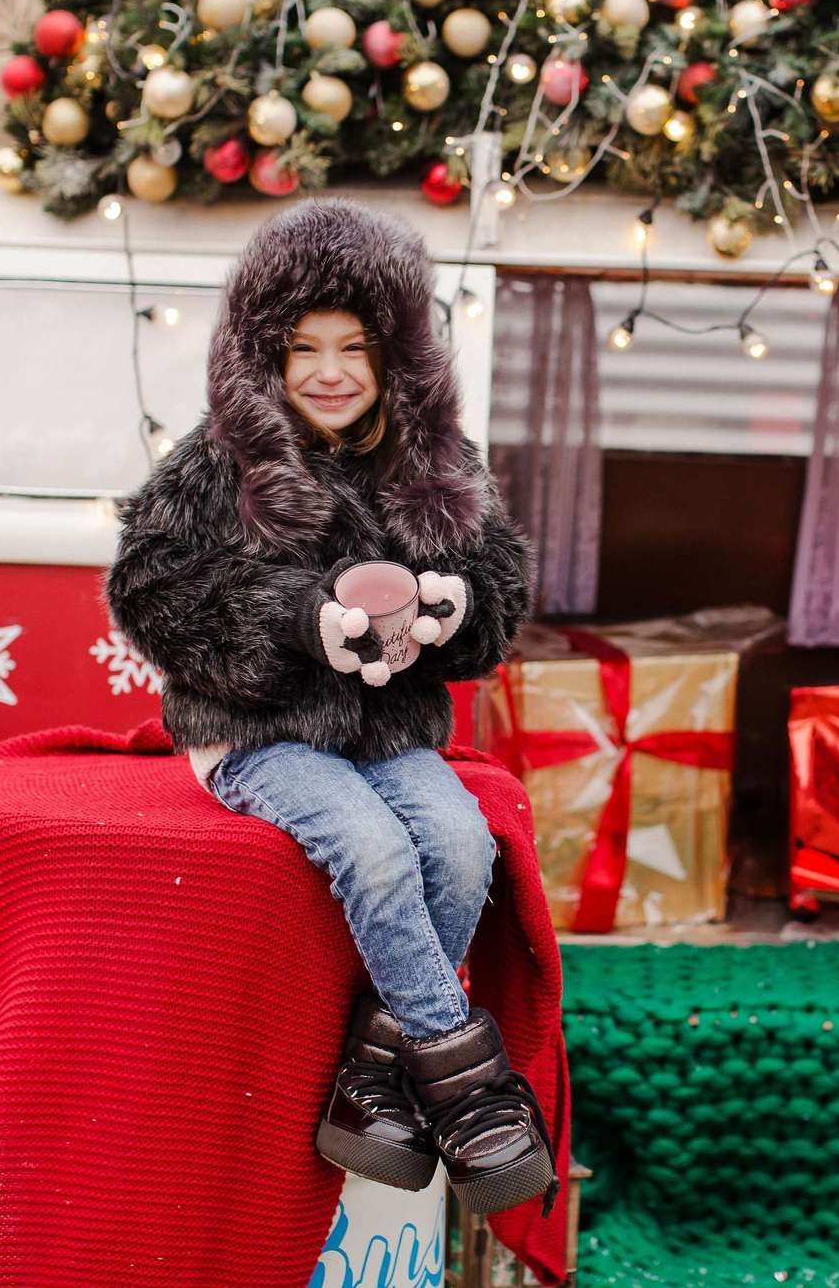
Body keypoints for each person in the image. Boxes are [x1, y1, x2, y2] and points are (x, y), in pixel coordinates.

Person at [104, 198, 552, 1216]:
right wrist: (303, 620)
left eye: (355, 346)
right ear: (262, 355)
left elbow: (499, 592)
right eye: (302, 348)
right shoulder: (219, 461)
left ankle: (373, 1084)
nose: (331, 371)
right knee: (375, 849)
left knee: (457, 843)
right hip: (258, 732)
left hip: (389, 731)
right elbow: (151, 591)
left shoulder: (438, 462)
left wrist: (451, 607)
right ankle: (465, 1079)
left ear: (399, 354)